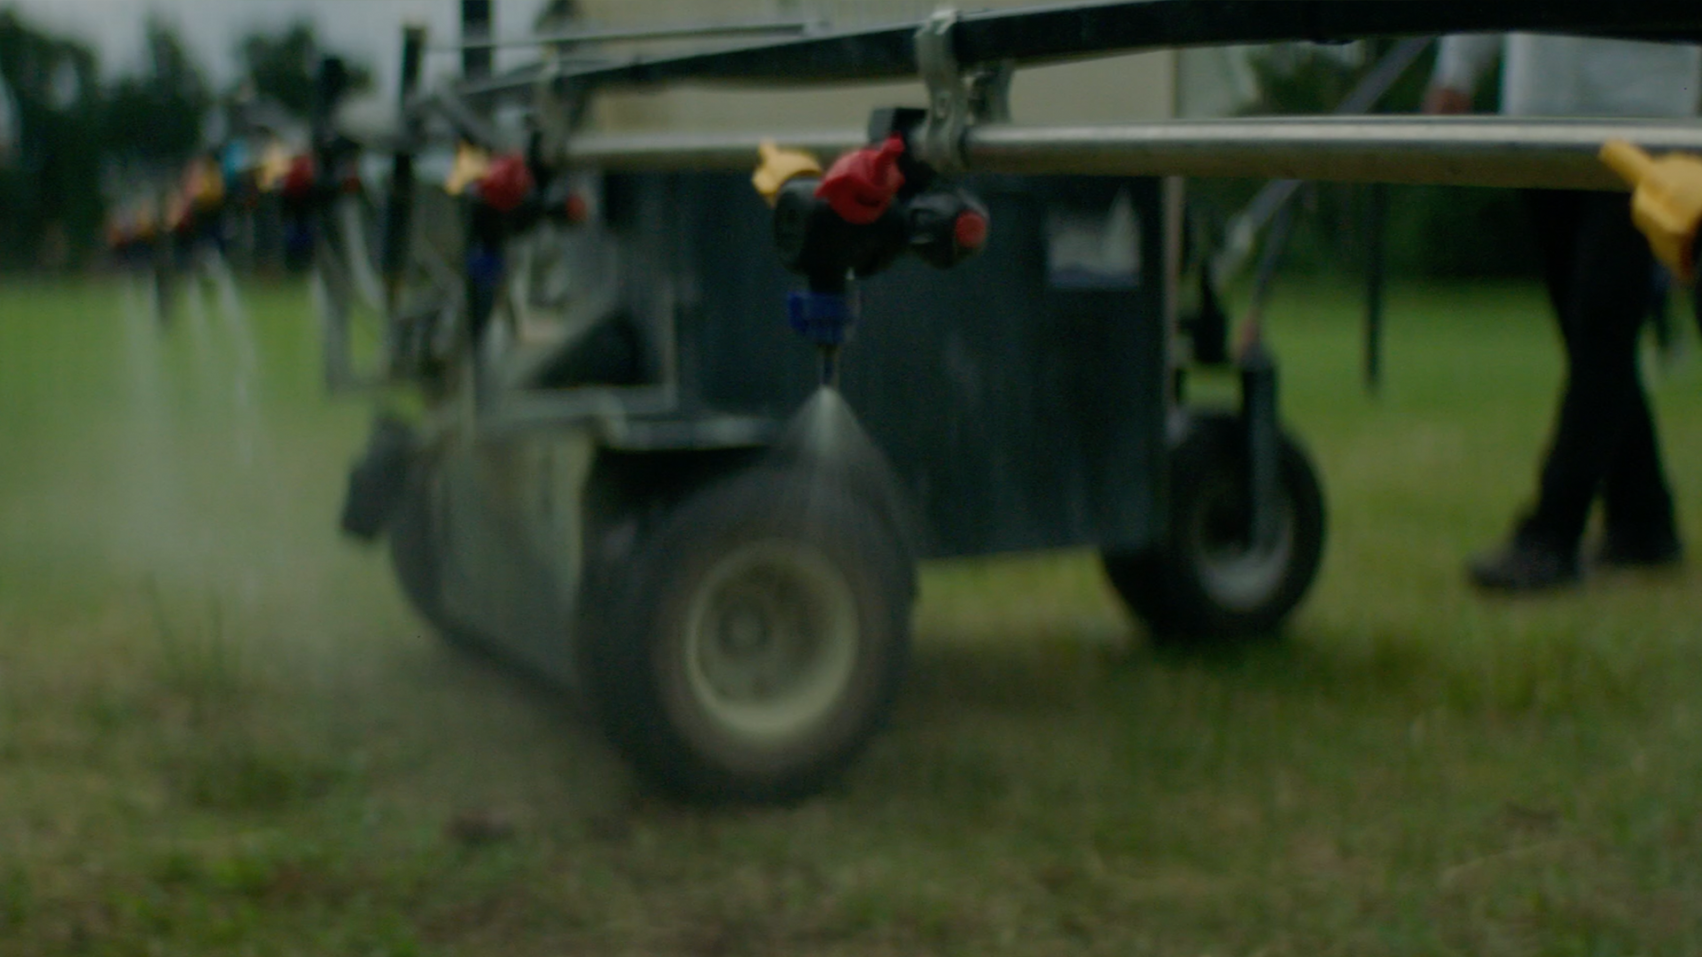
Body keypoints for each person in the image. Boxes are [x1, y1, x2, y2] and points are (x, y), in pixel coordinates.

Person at [1425, 34, 1702, 591]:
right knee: (1588, 334)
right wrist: (1456, 68)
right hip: (1540, 114)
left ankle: (1552, 532)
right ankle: (1642, 519)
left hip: (1645, 114)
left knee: (1602, 326)